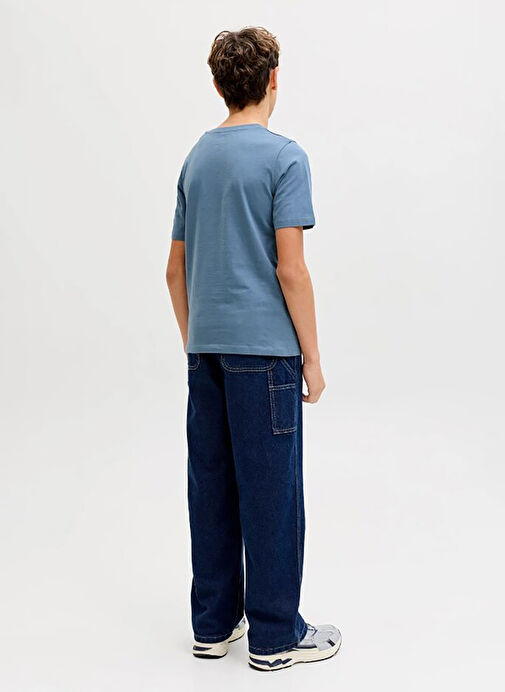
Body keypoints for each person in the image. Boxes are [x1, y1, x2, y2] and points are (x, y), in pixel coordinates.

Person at [166, 26, 341, 671]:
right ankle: (274, 636)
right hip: (266, 357)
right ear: (272, 80)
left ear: (218, 85)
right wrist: (312, 359)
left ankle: (213, 626)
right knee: (272, 494)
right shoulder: (284, 158)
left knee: (211, 488)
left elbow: (173, 270)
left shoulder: (197, 159)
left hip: (206, 352)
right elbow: (291, 269)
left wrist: (197, 339)